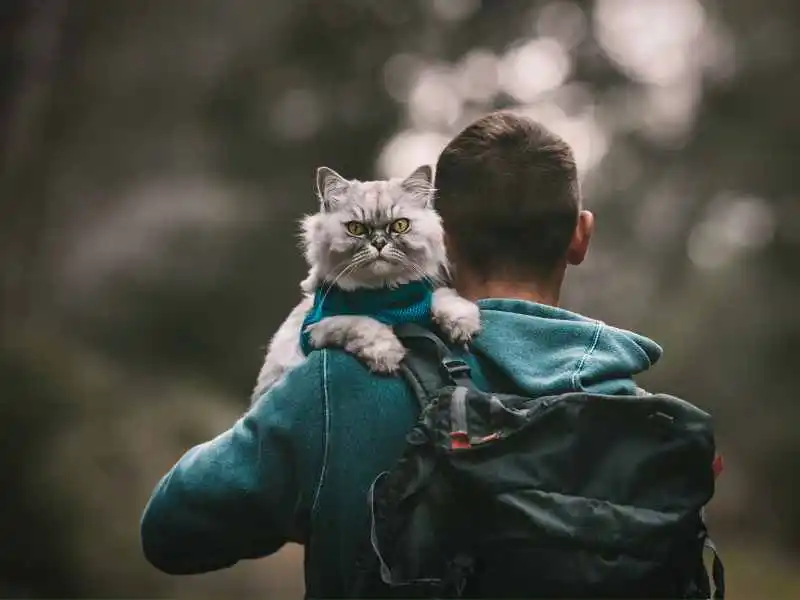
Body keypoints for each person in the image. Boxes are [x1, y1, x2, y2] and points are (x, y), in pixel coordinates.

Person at [140, 112, 663, 597]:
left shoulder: (333, 386)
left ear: (443, 239)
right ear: (581, 235)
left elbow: (170, 529)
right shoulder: (638, 415)